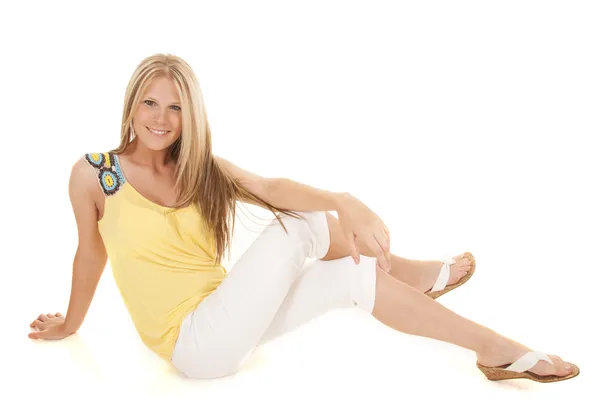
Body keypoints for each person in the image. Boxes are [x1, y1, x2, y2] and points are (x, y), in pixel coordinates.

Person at [28, 53, 579, 383]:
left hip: (228, 321)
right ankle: (417, 274)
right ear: (131, 105)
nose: (162, 119)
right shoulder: (93, 174)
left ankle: (495, 351)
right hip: (192, 345)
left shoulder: (198, 167)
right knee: (301, 224)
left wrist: (341, 200)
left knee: (355, 277)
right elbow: (90, 253)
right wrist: (71, 325)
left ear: (190, 115)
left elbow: (268, 187)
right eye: (151, 103)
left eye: (176, 107)